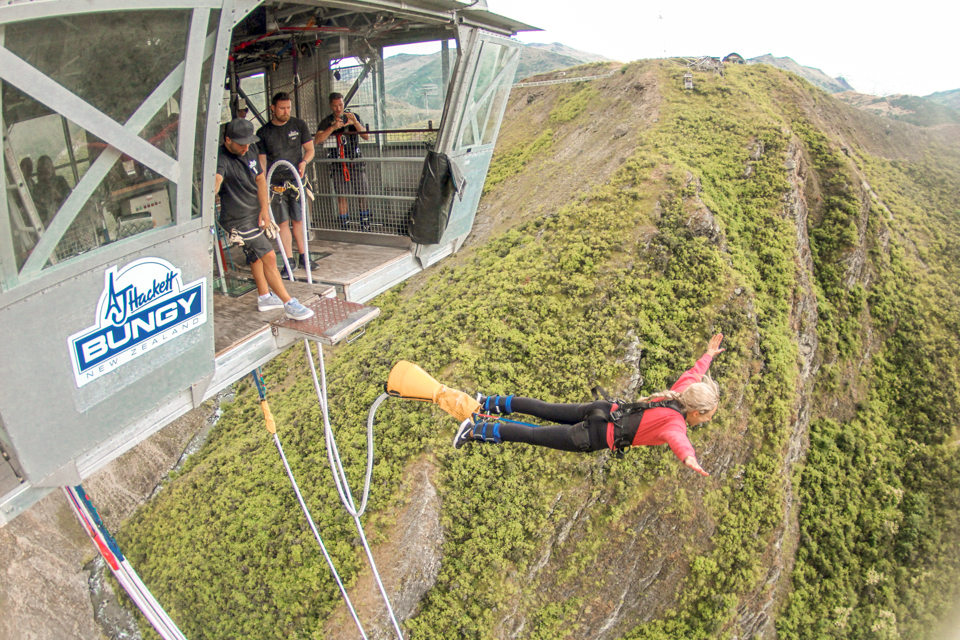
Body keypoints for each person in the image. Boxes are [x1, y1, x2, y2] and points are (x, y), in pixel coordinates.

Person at [454, 334, 727, 477]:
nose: (706, 421)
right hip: (594, 435)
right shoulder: (676, 422)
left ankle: (487, 402)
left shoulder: (679, 394)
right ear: (695, 411)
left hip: (604, 410)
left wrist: (708, 356)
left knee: (544, 408)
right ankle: (475, 430)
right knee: (534, 435)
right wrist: (688, 457)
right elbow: (678, 440)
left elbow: (693, 374)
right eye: (707, 417)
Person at [216, 118, 314, 321]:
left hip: (255, 212)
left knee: (256, 256)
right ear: (227, 140)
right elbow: (215, 182)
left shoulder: (249, 149)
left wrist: (265, 210)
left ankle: (264, 297)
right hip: (236, 219)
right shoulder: (220, 159)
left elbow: (260, 179)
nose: (245, 148)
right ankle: (289, 303)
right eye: (241, 144)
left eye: (248, 143)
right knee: (269, 256)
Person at [256, 92, 316, 277]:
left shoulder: (298, 125)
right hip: (276, 183)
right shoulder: (263, 133)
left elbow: (310, 149)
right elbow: (263, 163)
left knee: (299, 220)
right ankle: (289, 259)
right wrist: (264, 187)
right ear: (272, 108)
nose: (286, 111)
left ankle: (305, 256)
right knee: (282, 222)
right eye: (282, 108)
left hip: (296, 180)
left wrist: (304, 162)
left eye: (288, 107)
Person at [315, 92, 371, 231]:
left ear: (344, 103)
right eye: (335, 106)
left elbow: (366, 136)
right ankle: (344, 226)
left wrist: (355, 122)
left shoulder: (353, 117)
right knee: (342, 195)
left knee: (362, 194)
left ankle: (365, 225)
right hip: (337, 163)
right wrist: (333, 128)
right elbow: (317, 140)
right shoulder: (327, 122)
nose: (338, 109)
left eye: (340, 105)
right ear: (330, 106)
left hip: (355, 161)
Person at [34, 155, 71, 226]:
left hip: (66, 219)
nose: (46, 170)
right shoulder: (37, 188)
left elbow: (71, 199)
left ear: (52, 167)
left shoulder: (60, 181)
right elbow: (38, 211)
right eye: (43, 168)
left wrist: (60, 198)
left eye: (48, 166)